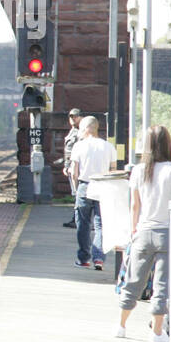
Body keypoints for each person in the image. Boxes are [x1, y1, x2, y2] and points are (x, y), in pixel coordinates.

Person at [117, 126, 171, 342]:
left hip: (143, 231)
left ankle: (121, 326)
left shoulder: (139, 170)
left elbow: (135, 205)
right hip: (167, 233)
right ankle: (157, 332)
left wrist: (133, 230)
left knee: (133, 280)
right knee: (161, 285)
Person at [69, 115, 113, 269]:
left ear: (86, 129)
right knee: (101, 225)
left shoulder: (79, 146)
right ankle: (99, 258)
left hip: (85, 186)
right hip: (103, 186)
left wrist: (75, 189)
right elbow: (112, 170)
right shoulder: (108, 146)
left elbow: (74, 172)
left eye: (81, 129)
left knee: (83, 224)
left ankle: (84, 259)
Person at [61, 108, 82, 227]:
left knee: (78, 194)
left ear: (81, 117)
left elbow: (74, 152)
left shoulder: (81, 133)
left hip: (77, 168)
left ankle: (77, 219)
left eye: (75, 116)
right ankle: (76, 218)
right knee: (76, 194)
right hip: (71, 167)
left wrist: (70, 166)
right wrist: (66, 166)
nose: (73, 118)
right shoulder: (73, 131)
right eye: (71, 116)